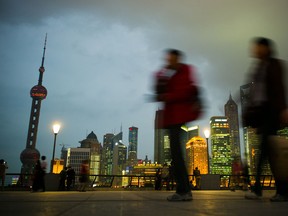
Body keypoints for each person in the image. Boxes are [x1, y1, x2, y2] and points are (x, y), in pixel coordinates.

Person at [243, 37, 288, 201]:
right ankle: (280, 190)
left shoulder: (274, 65)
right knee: (268, 152)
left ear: (266, 48)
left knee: (265, 152)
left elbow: (279, 87)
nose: (255, 50)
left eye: (258, 47)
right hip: (262, 113)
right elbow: (254, 92)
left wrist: (283, 109)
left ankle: (264, 190)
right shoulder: (258, 67)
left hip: (271, 111)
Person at [153, 49, 201, 201]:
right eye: (168, 59)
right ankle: (184, 190)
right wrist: (162, 73)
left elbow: (184, 91)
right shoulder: (168, 73)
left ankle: (183, 191)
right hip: (172, 117)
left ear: (178, 59)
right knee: (177, 155)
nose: (169, 62)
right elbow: (157, 86)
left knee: (177, 156)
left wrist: (168, 95)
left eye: (172, 59)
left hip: (179, 117)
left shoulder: (185, 71)